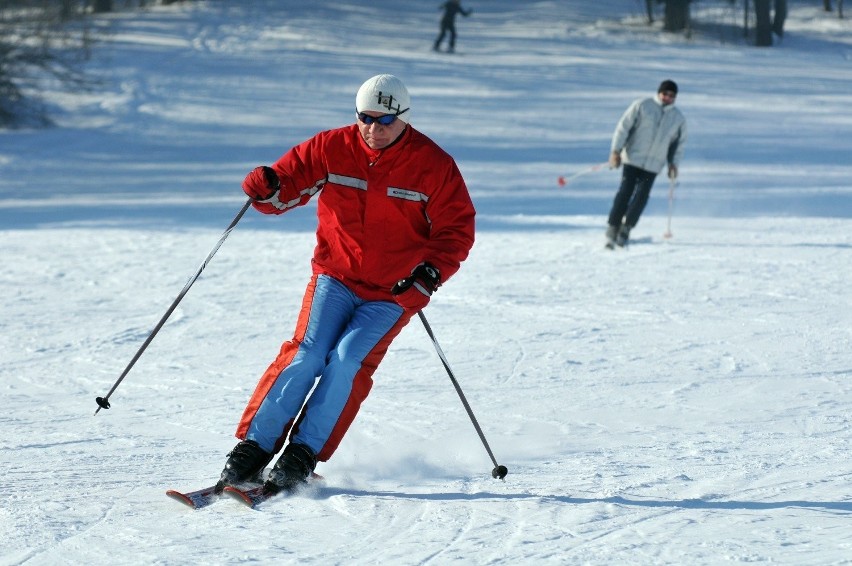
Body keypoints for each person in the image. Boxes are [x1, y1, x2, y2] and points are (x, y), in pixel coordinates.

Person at [215, 74, 476, 496]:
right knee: (308, 352)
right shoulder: (331, 147)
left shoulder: (434, 165)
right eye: (365, 118)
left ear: (404, 119)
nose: (374, 129)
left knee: (347, 360)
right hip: (335, 276)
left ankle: (302, 454)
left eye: (385, 120)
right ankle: (254, 448)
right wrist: (266, 186)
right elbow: (284, 188)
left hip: (393, 291)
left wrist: (429, 275)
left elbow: (456, 230)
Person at [605, 79, 687, 248]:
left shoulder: (678, 118)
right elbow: (623, 127)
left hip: (653, 165)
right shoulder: (643, 105)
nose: (667, 98)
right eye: (665, 94)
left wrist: (673, 164)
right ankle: (613, 226)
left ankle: (626, 227)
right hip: (633, 159)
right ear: (659, 93)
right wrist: (616, 151)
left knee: (641, 197)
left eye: (672, 96)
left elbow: (677, 145)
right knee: (625, 192)